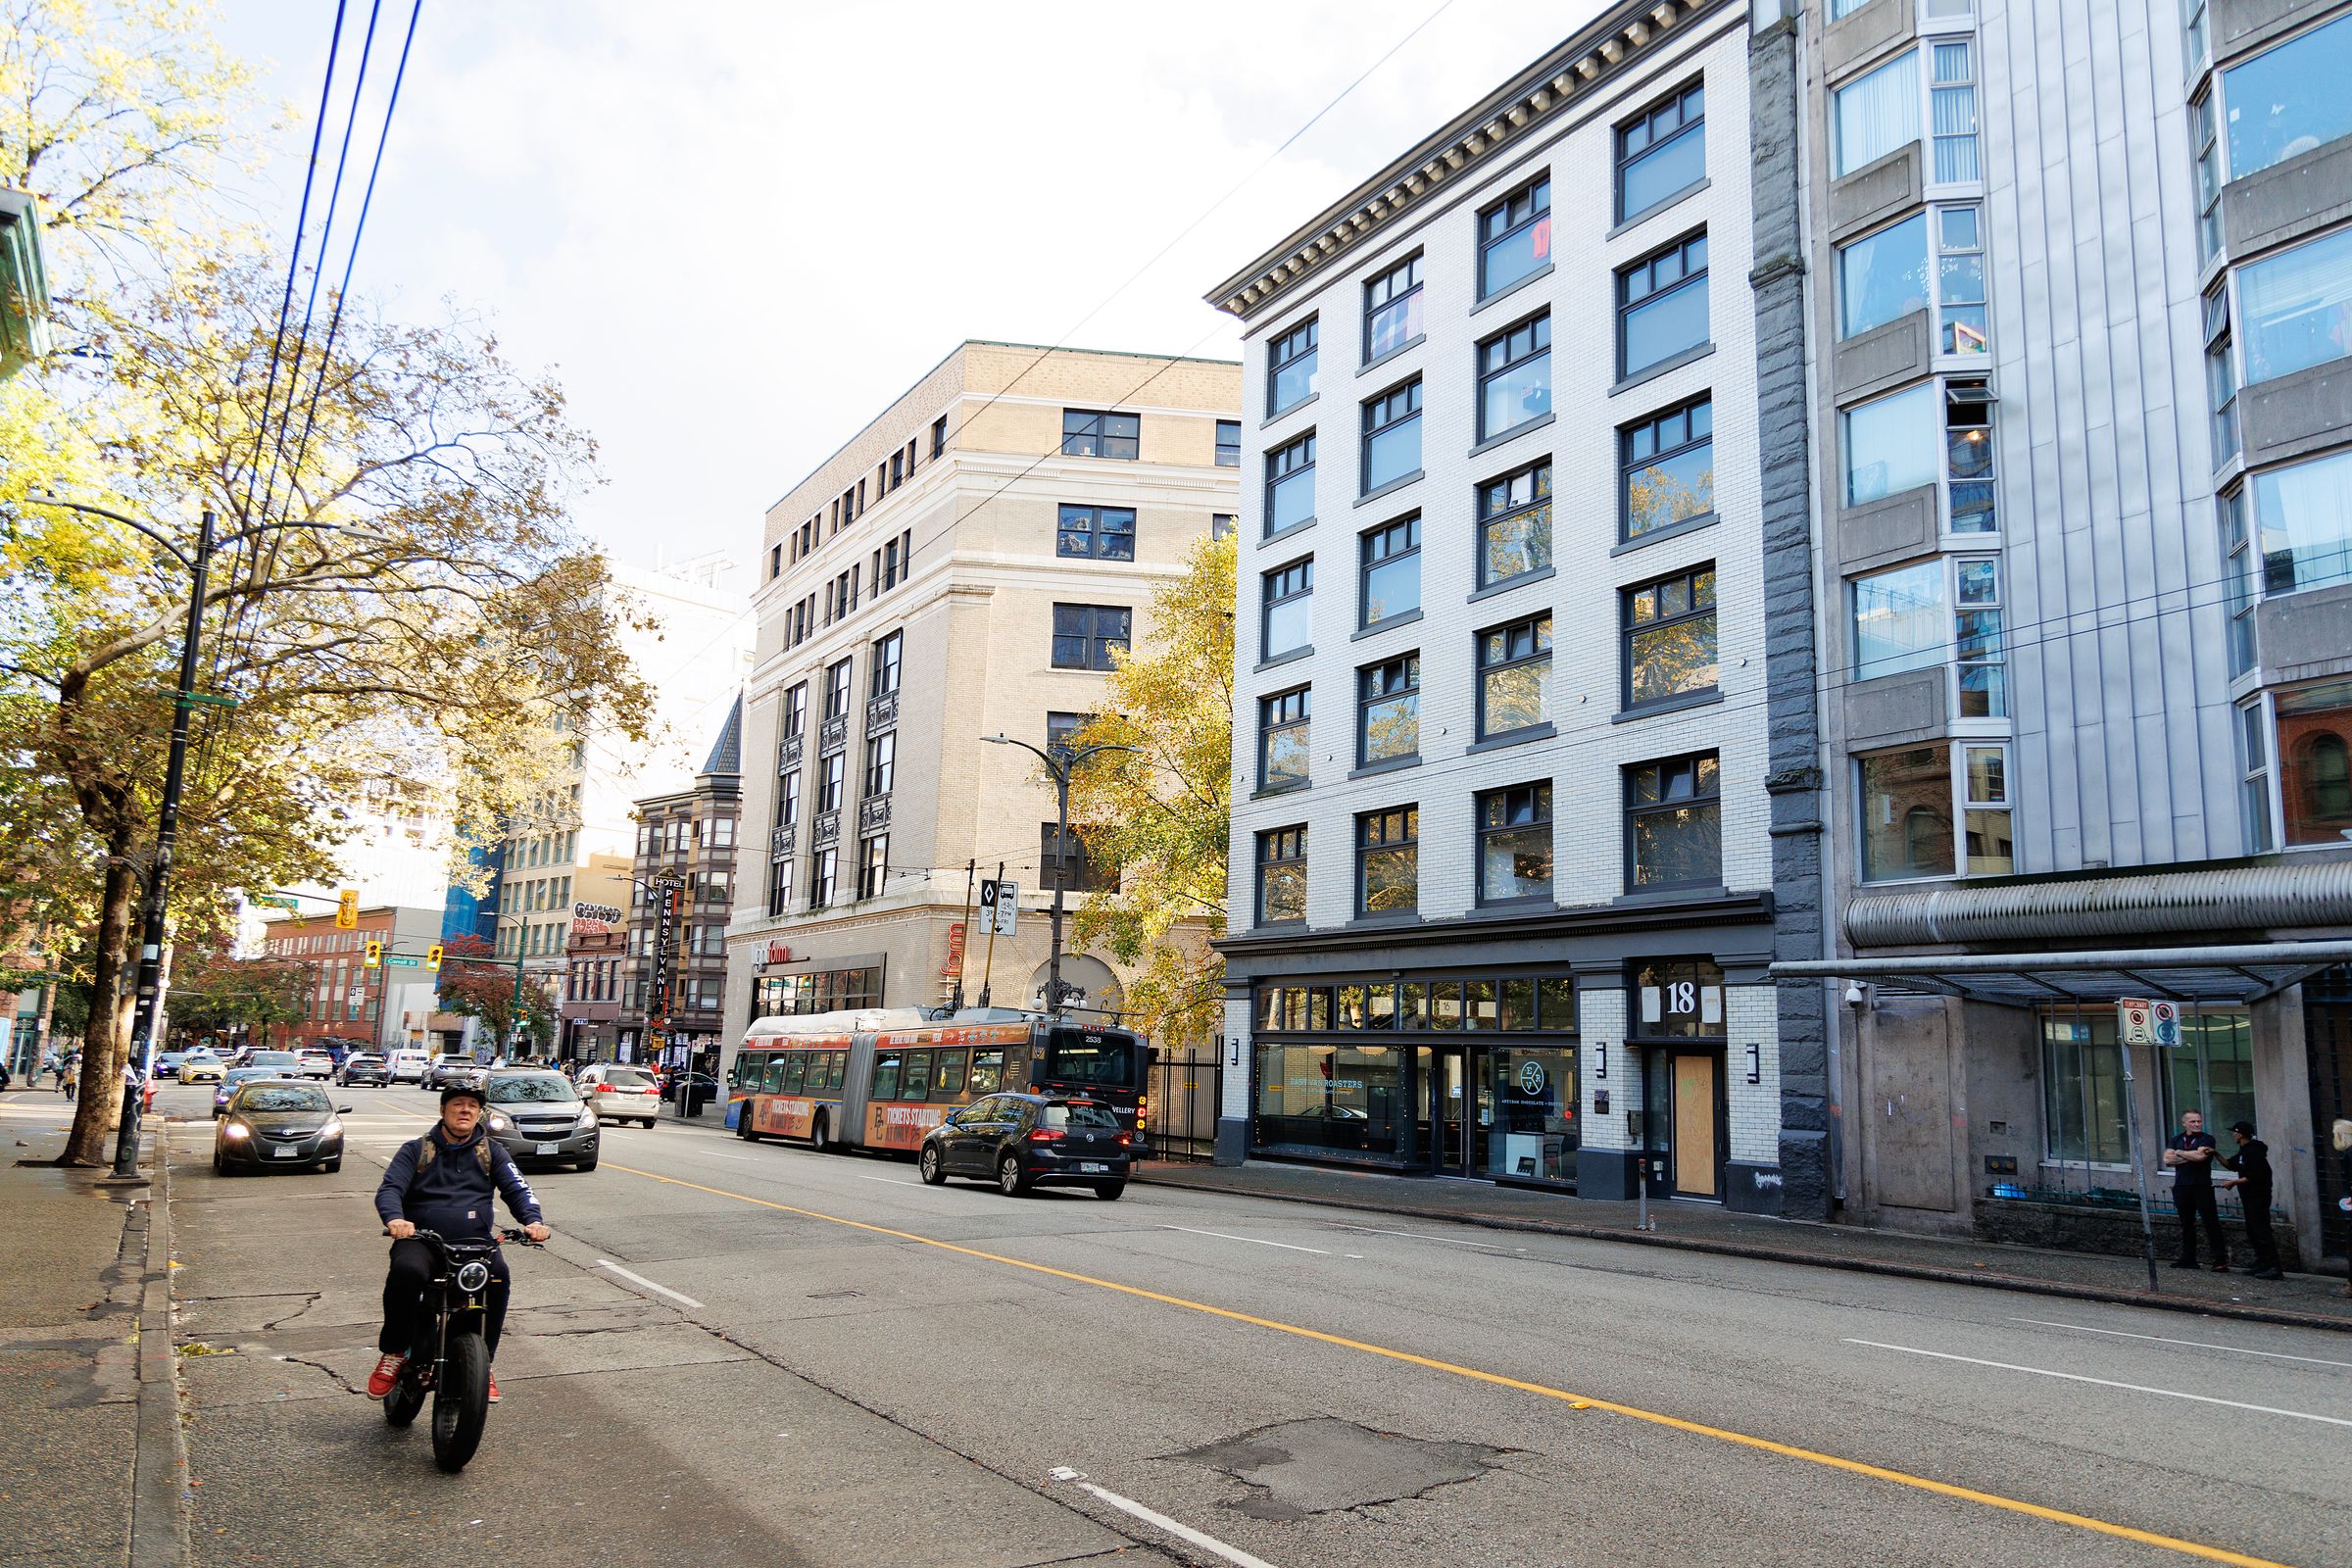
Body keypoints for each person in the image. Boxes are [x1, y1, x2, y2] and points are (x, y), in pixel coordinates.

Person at [369, 1082, 550, 1405]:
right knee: (406, 1272)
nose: (465, 1110)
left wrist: (533, 1221)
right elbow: (390, 1189)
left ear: (479, 1113)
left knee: (498, 1277)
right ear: (443, 1110)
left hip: (474, 1244)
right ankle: (395, 1351)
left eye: (472, 1106)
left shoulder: (492, 1151)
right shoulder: (416, 1149)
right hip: (421, 1240)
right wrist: (395, 1219)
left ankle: (483, 1363)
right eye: (457, 1104)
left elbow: (518, 1189)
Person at [2163, 1108, 2228, 1271]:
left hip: (2201, 1185)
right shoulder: (2176, 1139)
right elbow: (2167, 1160)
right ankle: (2188, 1258)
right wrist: (2190, 1155)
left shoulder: (2207, 1139)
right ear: (2184, 1123)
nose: (2197, 1124)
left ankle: (2220, 1259)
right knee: (2186, 1223)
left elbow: (2201, 1157)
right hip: (2182, 1185)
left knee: (2210, 1221)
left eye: (2199, 1121)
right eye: (2193, 1121)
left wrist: (2180, 1153)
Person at [2218, 1120, 2282, 1281]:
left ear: (2240, 1135)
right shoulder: (2243, 1151)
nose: (2233, 1135)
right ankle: (2262, 1262)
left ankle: (2274, 1267)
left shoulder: (2254, 1151)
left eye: (2234, 1132)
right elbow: (2230, 1164)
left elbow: (2256, 1175)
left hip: (2258, 1196)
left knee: (2261, 1230)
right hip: (2248, 1196)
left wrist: (2233, 1182)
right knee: (2253, 1230)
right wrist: (2215, 1154)